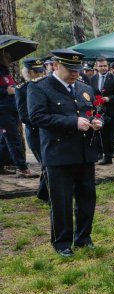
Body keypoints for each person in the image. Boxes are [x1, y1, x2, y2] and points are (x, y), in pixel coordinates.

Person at [27, 48, 103, 257]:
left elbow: (95, 111)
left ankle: (84, 237)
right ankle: (62, 242)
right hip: (58, 154)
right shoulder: (40, 88)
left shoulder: (84, 87)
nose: (75, 73)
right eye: (70, 69)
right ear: (56, 65)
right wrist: (72, 122)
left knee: (87, 197)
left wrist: (97, 121)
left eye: (78, 69)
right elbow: (37, 117)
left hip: (84, 153)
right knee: (61, 200)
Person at [0, 49, 38, 178]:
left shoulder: (5, 71)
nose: (10, 59)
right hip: (3, 111)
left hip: (11, 110)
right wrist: (6, 91)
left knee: (4, 140)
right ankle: (22, 168)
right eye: (7, 57)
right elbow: (6, 90)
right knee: (13, 139)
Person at [15, 57, 48, 200]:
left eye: (41, 72)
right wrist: (43, 121)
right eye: (36, 72)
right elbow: (23, 115)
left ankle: (43, 193)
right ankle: (47, 195)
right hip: (35, 132)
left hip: (48, 131)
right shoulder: (22, 89)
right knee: (46, 164)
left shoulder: (47, 86)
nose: (40, 75)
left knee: (48, 164)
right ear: (28, 73)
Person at [91, 57, 114, 164]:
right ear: (96, 67)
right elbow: (91, 92)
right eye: (100, 66)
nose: (103, 68)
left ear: (108, 66)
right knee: (104, 135)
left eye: (105, 66)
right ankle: (107, 156)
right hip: (101, 112)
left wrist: (109, 98)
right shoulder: (93, 79)